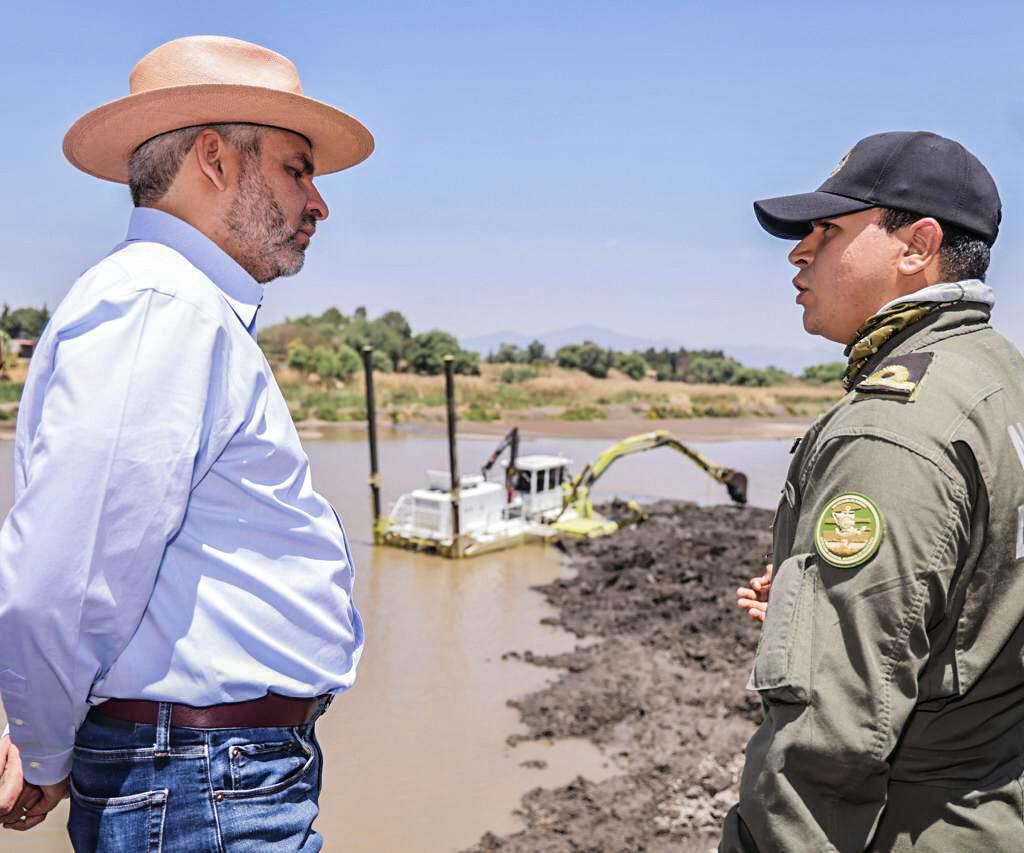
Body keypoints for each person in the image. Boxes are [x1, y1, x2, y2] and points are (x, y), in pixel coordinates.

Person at [0, 35, 373, 850]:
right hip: (201, 783)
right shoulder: (162, 307)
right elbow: (63, 574)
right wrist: (44, 745)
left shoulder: (173, 307)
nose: (319, 203)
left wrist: (47, 731)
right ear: (214, 158)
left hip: (206, 775)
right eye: (296, 167)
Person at [720, 131, 1024, 852]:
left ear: (918, 245)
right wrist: (815, 600)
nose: (800, 252)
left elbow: (828, 742)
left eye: (828, 230)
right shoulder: (1000, 380)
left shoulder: (890, 427)